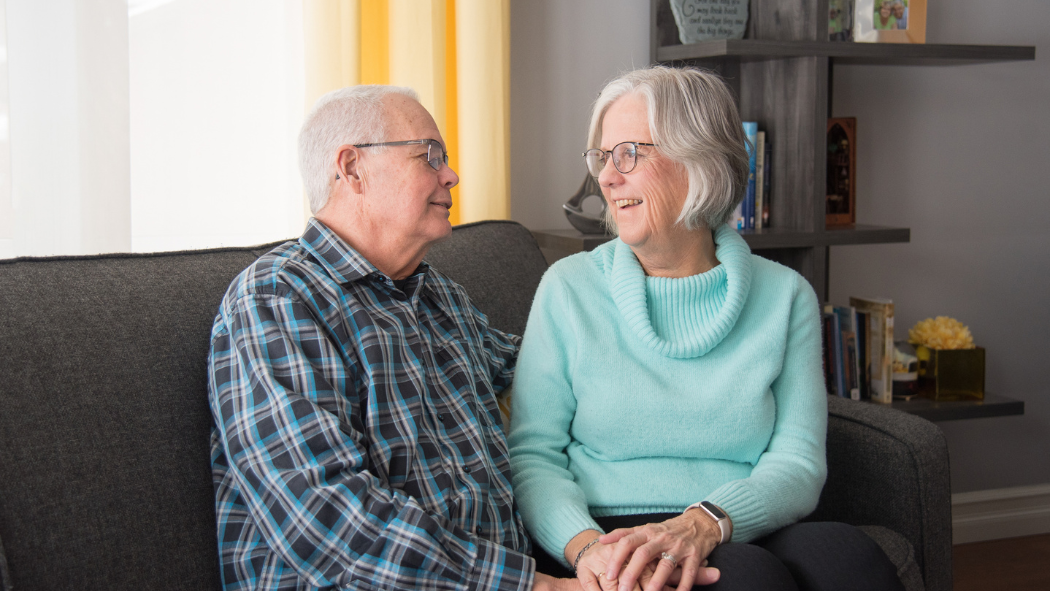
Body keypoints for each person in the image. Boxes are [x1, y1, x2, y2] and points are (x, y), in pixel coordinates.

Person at [508, 66, 906, 591]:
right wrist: (586, 550)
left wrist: (706, 520)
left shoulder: (785, 296)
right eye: (602, 158)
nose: (606, 178)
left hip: (733, 517)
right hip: (604, 534)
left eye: (628, 154)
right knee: (748, 579)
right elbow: (533, 456)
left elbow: (798, 460)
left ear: (699, 162)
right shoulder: (569, 288)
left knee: (848, 558)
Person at [207, 85, 579, 591]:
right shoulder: (277, 298)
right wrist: (537, 587)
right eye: (430, 156)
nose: (451, 175)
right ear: (353, 169)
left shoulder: (438, 296)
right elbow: (328, 520)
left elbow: (543, 371)